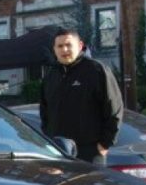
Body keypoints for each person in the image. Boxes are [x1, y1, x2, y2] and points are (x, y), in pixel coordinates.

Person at [39, 28, 123, 164]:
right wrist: (49, 141)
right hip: (58, 153)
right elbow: (44, 112)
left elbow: (114, 109)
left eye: (68, 45)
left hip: (90, 153)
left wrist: (105, 144)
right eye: (60, 46)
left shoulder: (96, 71)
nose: (64, 50)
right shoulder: (50, 76)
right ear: (54, 49)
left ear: (80, 45)